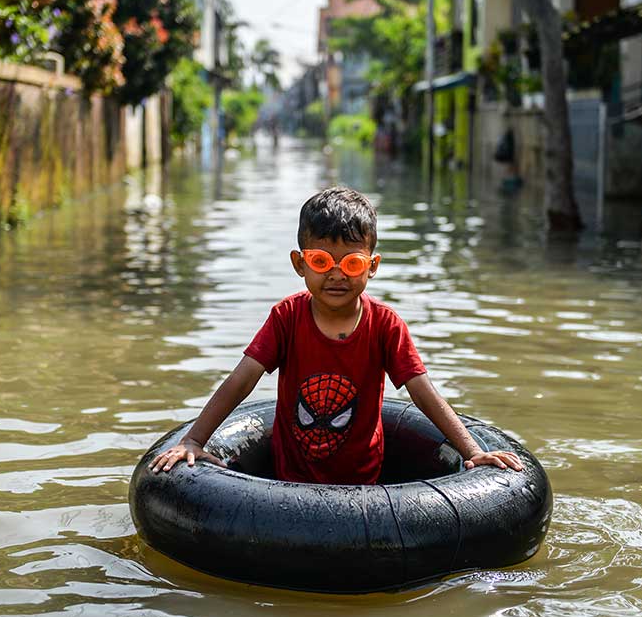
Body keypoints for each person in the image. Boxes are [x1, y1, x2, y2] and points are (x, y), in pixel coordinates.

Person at [149, 186, 523, 484]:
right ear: (300, 264)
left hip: (365, 486)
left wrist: (472, 451)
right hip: (288, 482)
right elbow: (241, 380)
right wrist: (194, 440)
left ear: (372, 266)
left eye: (352, 263)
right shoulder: (286, 318)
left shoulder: (385, 325)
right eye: (321, 262)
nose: (337, 275)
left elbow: (423, 394)